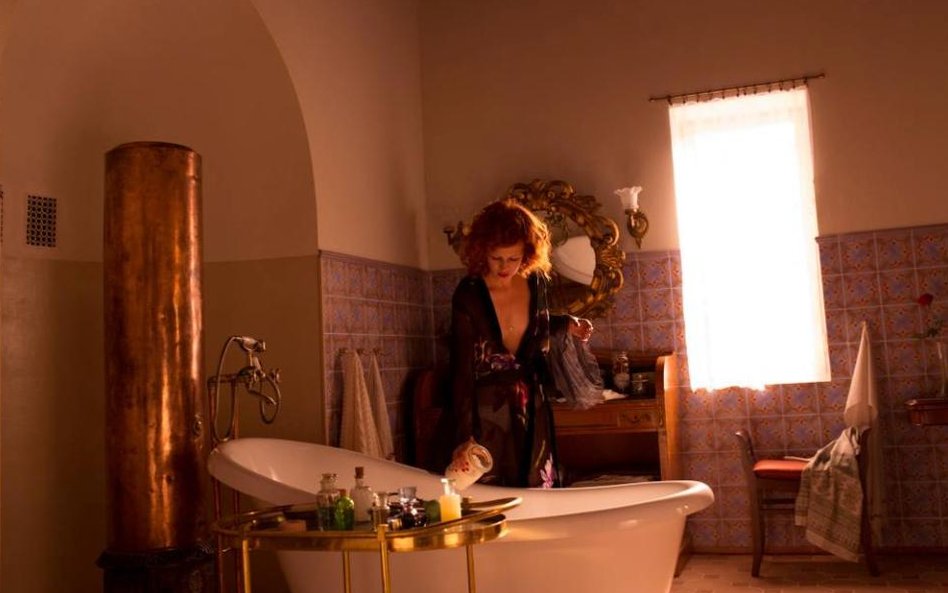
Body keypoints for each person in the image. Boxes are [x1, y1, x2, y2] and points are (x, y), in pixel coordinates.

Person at [447, 199, 593, 487]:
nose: (505, 267)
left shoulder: (535, 282)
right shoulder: (469, 294)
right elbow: (461, 369)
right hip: (486, 414)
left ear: (526, 253)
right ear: (482, 251)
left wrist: (566, 323)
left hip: (531, 409)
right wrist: (464, 435)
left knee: (537, 491)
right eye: (496, 258)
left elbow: (534, 327)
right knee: (490, 494)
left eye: (513, 258)